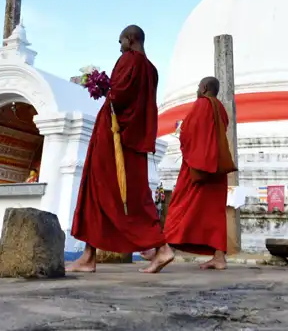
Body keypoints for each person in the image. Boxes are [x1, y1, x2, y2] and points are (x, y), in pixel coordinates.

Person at [67, 25, 175, 274]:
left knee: (98, 189)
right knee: (124, 195)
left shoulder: (129, 60)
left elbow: (119, 96)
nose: (119, 46)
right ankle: (89, 255)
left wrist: (95, 83)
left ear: (130, 39)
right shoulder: (152, 70)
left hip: (114, 137)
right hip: (134, 140)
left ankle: (160, 247)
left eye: (121, 41)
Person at [161, 76, 237, 270]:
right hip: (217, 168)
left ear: (203, 88)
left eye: (198, 87)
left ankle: (164, 247)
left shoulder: (202, 104)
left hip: (198, 168)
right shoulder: (220, 108)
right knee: (215, 213)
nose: (197, 90)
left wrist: (185, 142)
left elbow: (188, 132)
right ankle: (219, 256)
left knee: (179, 205)